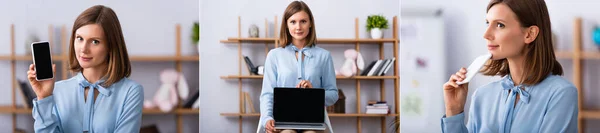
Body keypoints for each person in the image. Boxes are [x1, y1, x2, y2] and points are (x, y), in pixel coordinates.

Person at [441, 0, 578, 132]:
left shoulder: (561, 94)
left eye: (500, 25)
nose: (486, 34)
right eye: (487, 23)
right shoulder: (482, 96)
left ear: (530, 34)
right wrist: (454, 111)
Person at [28, 5, 143, 133]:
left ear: (111, 46)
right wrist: (43, 97)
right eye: (80, 39)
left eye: (95, 41)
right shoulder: (57, 90)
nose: (83, 49)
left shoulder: (130, 92)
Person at [259, 1, 338, 133]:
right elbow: (267, 93)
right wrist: (267, 119)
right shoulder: (274, 55)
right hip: (281, 122)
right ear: (286, 25)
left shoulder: (324, 56)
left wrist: (314, 92)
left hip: (313, 122)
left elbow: (333, 94)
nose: (298, 27)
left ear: (310, 23)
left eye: (303, 21)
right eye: (293, 22)